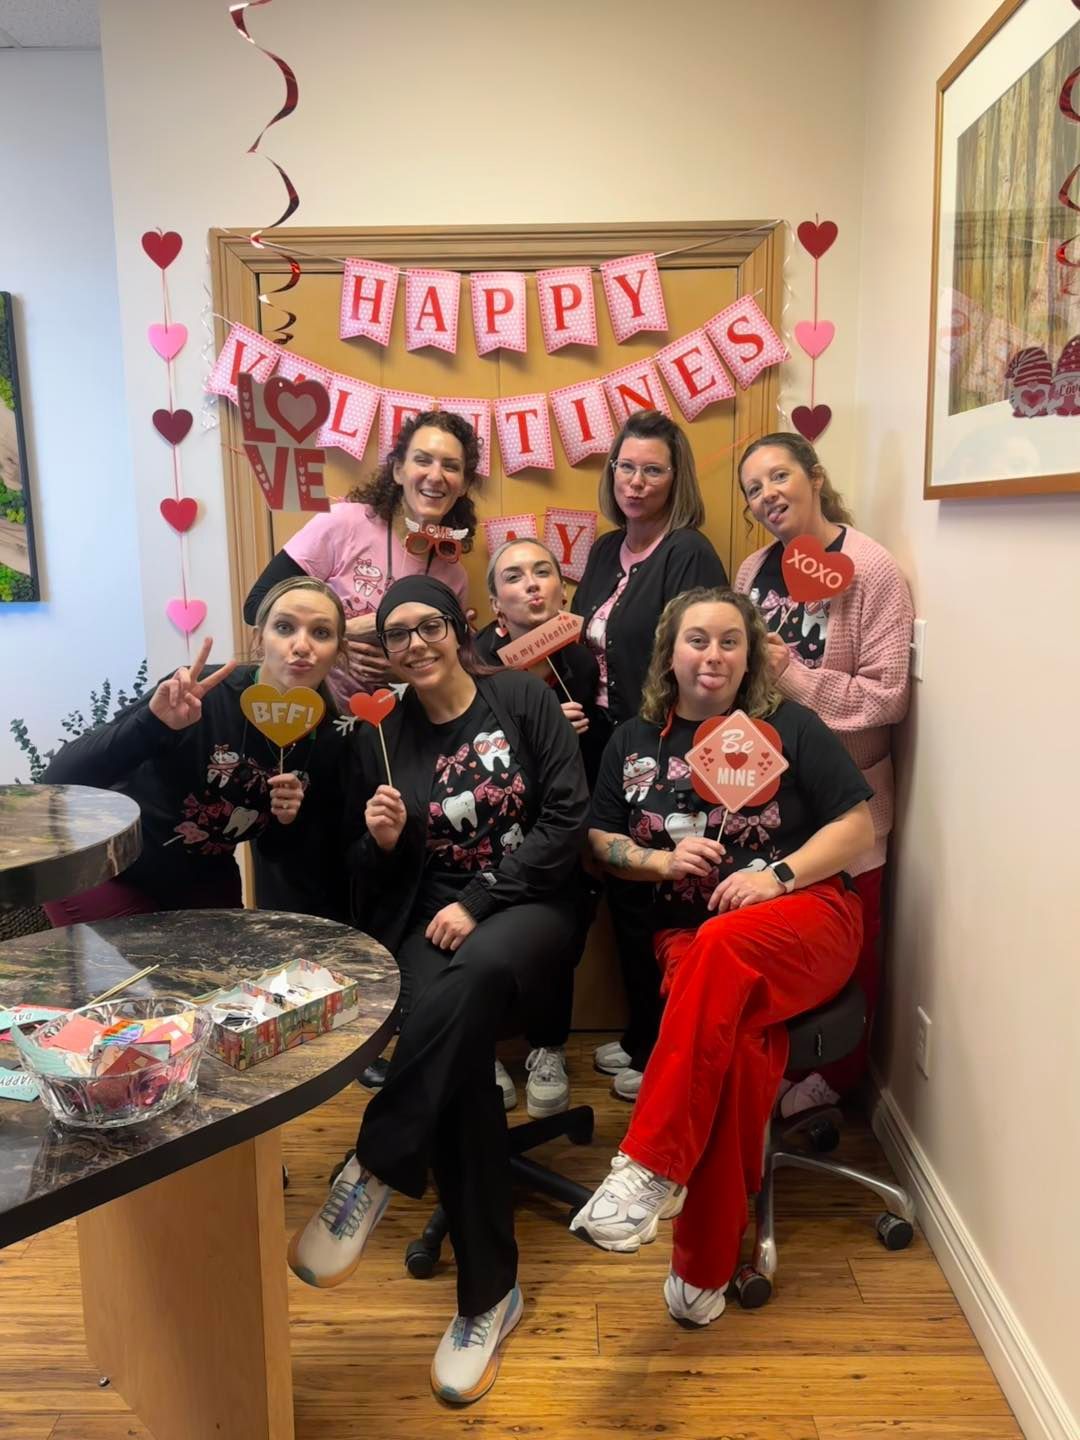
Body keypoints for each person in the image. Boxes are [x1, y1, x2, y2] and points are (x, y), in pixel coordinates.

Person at [288, 576, 588, 1406]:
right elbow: (364, 875)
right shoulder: (381, 736)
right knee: (455, 1067)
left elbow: (566, 820)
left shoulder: (521, 700)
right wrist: (381, 842)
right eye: (397, 635)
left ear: (457, 630)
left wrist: (481, 900)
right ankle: (489, 1300)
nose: (415, 644)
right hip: (427, 920)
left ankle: (377, 1161)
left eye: (429, 626)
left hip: (530, 910)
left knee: (479, 973)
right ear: (384, 651)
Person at [569, 587, 873, 1326]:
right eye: (698, 640)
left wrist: (776, 876)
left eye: (731, 641)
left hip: (807, 919)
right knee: (732, 1044)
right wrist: (659, 861)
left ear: (751, 654)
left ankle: (650, 1165)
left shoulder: (789, 726)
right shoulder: (632, 742)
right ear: (669, 653)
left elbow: (857, 826)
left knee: (721, 950)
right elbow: (600, 841)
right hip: (689, 937)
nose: (714, 655)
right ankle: (702, 1265)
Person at [735, 433, 913, 1104]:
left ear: (814, 476)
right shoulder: (753, 571)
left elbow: (887, 697)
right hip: (765, 793)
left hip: (846, 800)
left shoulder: (871, 569)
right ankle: (772, 1063)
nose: (767, 495)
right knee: (780, 939)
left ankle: (832, 1080)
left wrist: (795, 677)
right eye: (753, 489)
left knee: (851, 942)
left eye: (778, 476)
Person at [571, 409, 728, 1102]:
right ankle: (643, 1033)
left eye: (652, 470)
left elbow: (697, 656)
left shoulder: (688, 551)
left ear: (675, 478)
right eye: (626, 467)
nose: (635, 482)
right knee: (621, 888)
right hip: (604, 742)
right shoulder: (606, 550)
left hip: (665, 744)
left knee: (666, 897)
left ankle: (667, 1043)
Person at [42, 578, 349, 925]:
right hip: (104, 866)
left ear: (338, 651)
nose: (302, 645)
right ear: (259, 638)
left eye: (321, 632)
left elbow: (274, 852)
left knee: (228, 959)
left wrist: (287, 820)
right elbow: (59, 778)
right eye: (284, 627)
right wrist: (152, 723)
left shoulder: (329, 735)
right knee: (142, 960)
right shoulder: (200, 694)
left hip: (202, 875)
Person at [475, 537, 602, 1117]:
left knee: (560, 932)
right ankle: (484, 1048)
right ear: (495, 602)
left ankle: (548, 1047)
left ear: (561, 588)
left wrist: (575, 731)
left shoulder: (579, 658)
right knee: (486, 935)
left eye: (543, 572)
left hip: (562, 822)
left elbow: (595, 747)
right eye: (514, 576)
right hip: (493, 823)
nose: (531, 584)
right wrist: (542, 732)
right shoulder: (476, 659)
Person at [242, 410, 480, 705]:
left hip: (400, 719)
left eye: (451, 466)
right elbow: (256, 608)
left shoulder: (453, 576)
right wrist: (339, 635)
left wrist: (407, 668)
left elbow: (447, 669)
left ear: (464, 484)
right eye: (423, 460)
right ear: (398, 471)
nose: (435, 475)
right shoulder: (343, 524)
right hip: (312, 709)